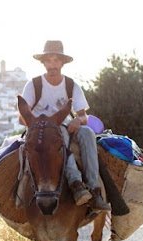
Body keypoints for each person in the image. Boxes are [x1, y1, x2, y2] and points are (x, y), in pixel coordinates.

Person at [19, 40, 110, 211]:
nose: (52, 65)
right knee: (59, 135)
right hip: (42, 131)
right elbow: (22, 117)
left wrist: (78, 120)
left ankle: (94, 189)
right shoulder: (34, 85)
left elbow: (83, 115)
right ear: (43, 63)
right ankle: (76, 184)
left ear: (62, 62)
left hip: (68, 125)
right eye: (48, 60)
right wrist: (40, 126)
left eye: (56, 60)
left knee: (88, 134)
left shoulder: (71, 85)